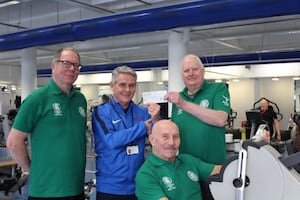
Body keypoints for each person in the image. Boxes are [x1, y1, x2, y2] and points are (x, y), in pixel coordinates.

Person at [6, 47, 87, 200]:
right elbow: (13, 142)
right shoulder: (38, 98)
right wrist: (30, 168)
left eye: (76, 65)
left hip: (76, 188)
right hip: (46, 190)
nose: (72, 69)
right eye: (66, 63)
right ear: (53, 66)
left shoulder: (80, 99)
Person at [164, 54, 230, 200]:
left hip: (214, 170)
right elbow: (172, 132)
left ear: (203, 71)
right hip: (187, 172)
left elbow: (220, 119)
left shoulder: (218, 89)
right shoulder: (179, 99)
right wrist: (156, 118)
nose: (191, 73)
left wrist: (183, 104)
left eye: (195, 69)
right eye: (187, 71)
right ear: (182, 75)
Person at [92, 65, 161, 200]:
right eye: (122, 85)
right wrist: (142, 128)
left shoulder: (143, 112)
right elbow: (111, 140)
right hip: (110, 187)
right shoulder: (101, 112)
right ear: (112, 85)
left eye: (132, 85)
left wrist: (157, 118)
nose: (128, 90)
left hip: (138, 185)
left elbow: (161, 136)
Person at [135, 120, 221, 200]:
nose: (172, 142)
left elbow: (223, 170)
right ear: (152, 140)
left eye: (175, 137)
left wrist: (233, 165)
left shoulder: (189, 160)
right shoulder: (146, 174)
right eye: (165, 137)